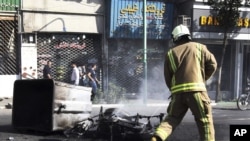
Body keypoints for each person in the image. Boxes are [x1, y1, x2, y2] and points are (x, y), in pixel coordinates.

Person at [151, 24, 217, 141]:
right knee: (205, 121)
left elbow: (168, 77)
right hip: (197, 92)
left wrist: (174, 90)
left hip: (178, 94)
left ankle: (157, 138)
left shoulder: (170, 53)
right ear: (188, 36)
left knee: (171, 118)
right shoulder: (200, 47)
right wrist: (202, 79)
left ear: (175, 38)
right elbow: (213, 65)